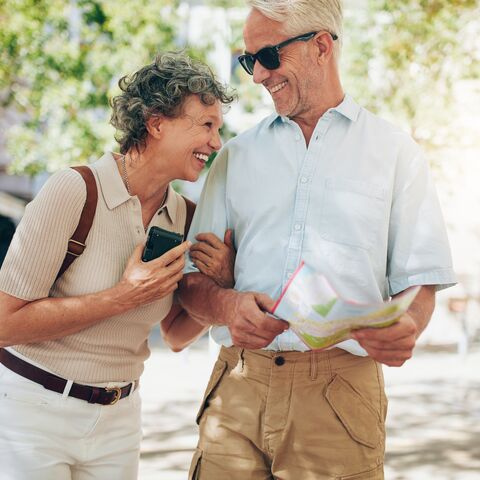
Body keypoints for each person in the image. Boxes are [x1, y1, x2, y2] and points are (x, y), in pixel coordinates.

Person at [178, 1, 456, 479]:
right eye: (249, 62)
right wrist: (226, 307)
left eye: (266, 56)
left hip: (340, 397)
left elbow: (421, 283)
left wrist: (407, 326)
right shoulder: (234, 158)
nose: (257, 76)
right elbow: (189, 284)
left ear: (321, 46)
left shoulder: (395, 153)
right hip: (238, 388)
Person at [0, 52, 235, 479]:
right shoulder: (74, 190)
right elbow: (4, 323)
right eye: (205, 125)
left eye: (218, 129)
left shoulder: (185, 216)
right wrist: (122, 298)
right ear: (157, 123)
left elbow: (177, 335)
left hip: (119, 420)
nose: (216, 143)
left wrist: (222, 283)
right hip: (31, 412)